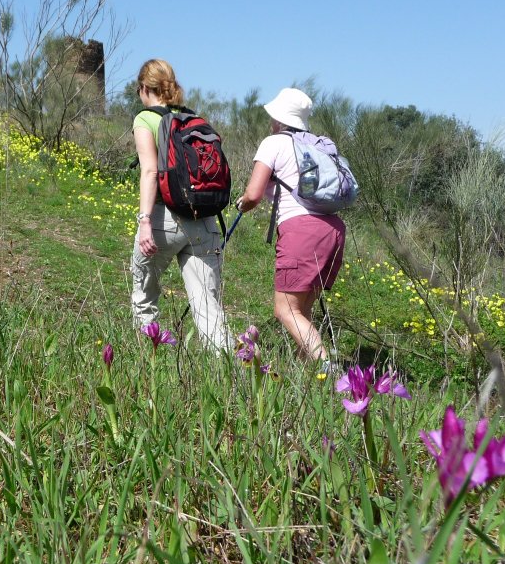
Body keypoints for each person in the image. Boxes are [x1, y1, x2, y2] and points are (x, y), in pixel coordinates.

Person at [234, 88, 346, 371]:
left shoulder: (274, 143)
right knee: (302, 310)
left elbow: (254, 194)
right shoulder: (318, 146)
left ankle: (328, 370)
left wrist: (242, 204)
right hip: (332, 229)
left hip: (301, 231)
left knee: (284, 310)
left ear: (278, 117)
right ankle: (304, 376)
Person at [131, 58, 229, 351]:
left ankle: (152, 360)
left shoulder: (145, 119)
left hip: (164, 220)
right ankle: (227, 373)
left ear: (143, 89)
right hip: (204, 220)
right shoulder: (193, 119)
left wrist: (145, 220)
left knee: (145, 296)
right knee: (207, 306)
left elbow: (150, 171)